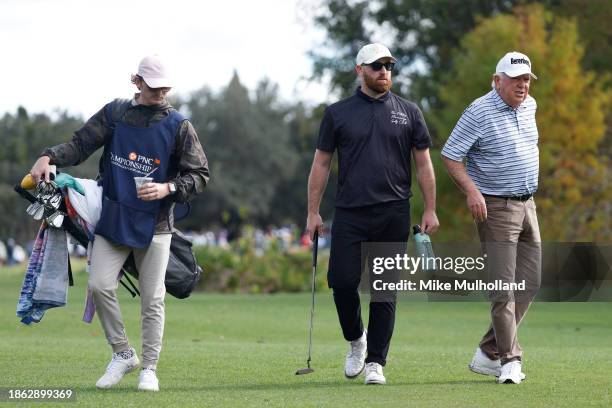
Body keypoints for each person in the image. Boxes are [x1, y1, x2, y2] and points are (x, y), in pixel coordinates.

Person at [29, 55, 209, 392]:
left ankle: (149, 369)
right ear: (136, 82)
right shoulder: (114, 114)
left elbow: (199, 175)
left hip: (156, 225)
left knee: (152, 299)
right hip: (114, 219)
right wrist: (47, 155)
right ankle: (123, 353)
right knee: (99, 285)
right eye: (154, 87)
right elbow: (80, 144)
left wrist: (168, 187)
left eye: (165, 87)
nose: (161, 92)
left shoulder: (180, 125)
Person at [306, 43, 439, 385]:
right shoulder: (337, 113)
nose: (384, 72)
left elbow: (423, 164)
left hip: (393, 212)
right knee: (341, 281)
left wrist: (431, 208)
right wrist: (312, 212)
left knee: (384, 289)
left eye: (389, 66)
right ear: (360, 70)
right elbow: (322, 163)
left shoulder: (409, 111)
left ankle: (376, 362)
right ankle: (356, 341)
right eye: (377, 66)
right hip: (350, 212)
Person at [441, 51, 541, 385]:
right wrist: (472, 191)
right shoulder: (479, 111)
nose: (522, 85)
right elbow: (451, 155)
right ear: (496, 81)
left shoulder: (530, 106)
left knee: (531, 281)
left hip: (529, 205)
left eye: (526, 79)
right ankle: (510, 361)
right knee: (503, 289)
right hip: (496, 208)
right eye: (515, 79)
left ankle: (487, 352)